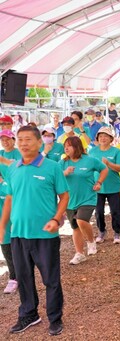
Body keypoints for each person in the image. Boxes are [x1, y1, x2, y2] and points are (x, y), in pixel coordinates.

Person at [0, 126, 69, 336]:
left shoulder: (52, 167)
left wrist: (57, 219)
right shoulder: (14, 168)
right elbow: (10, 198)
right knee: (23, 277)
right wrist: (3, 226)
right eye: (19, 139)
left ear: (40, 142)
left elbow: (64, 195)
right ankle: (29, 314)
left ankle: (55, 318)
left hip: (45, 235)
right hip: (18, 234)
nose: (23, 143)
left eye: (28, 139)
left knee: (50, 279)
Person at [61, 136, 108, 265]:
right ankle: (79, 253)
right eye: (65, 145)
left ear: (77, 147)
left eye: (69, 145)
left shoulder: (89, 160)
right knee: (75, 227)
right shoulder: (63, 163)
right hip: (70, 200)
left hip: (88, 197)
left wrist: (99, 182)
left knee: (81, 220)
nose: (66, 148)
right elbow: (55, 178)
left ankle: (91, 241)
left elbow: (104, 169)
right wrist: (65, 172)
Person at [89, 127, 120, 244]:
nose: (103, 138)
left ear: (111, 138)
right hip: (97, 186)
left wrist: (108, 163)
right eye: (100, 136)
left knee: (115, 211)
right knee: (98, 211)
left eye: (106, 136)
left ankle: (117, 232)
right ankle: (101, 231)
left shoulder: (116, 151)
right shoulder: (93, 152)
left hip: (113, 186)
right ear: (97, 138)